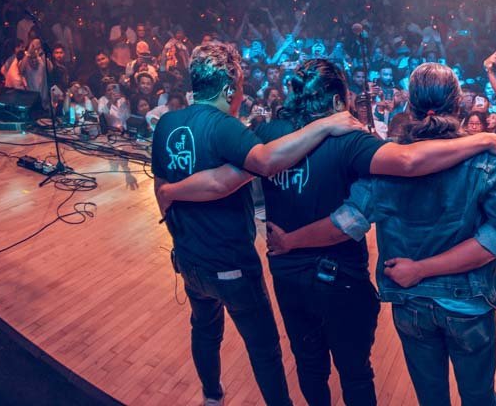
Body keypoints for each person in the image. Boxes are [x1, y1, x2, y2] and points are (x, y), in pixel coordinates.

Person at [156, 58, 496, 406]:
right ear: (335, 100)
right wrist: (482, 140)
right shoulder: (350, 137)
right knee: (356, 374)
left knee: (309, 366)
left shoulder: (267, 135)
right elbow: (408, 163)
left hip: (287, 276)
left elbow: (223, 181)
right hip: (341, 279)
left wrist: (171, 191)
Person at [266, 63, 496, 406]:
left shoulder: (385, 162)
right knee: (479, 399)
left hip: (410, 302)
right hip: (467, 303)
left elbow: (346, 223)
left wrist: (291, 241)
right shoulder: (487, 157)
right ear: (459, 105)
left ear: (410, 104)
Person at [150, 41, 363, 406]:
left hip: (187, 260)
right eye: (242, 84)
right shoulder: (226, 128)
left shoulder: (168, 122)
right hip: (230, 264)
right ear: (230, 88)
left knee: (204, 328)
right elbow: (264, 162)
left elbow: (164, 188)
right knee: (264, 349)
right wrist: (327, 124)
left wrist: (176, 218)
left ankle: (212, 398)